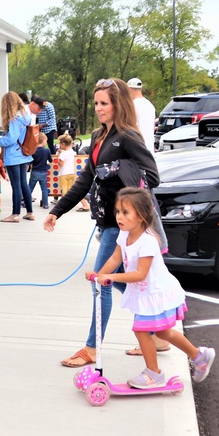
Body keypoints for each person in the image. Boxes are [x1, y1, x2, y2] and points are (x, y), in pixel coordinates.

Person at [44, 77, 161, 367]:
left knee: (101, 282)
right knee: (124, 282)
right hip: (106, 220)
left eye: (104, 103)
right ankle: (156, 327)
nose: (98, 108)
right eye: (96, 103)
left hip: (121, 223)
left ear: (118, 104)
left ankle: (91, 348)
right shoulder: (99, 137)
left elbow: (153, 176)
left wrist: (120, 168)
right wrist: (57, 210)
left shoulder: (129, 136)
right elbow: (84, 180)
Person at [86, 187, 215, 388]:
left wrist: (110, 276)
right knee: (163, 332)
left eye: (125, 212)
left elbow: (140, 274)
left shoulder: (147, 241)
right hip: (144, 292)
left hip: (156, 292)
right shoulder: (123, 234)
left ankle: (154, 374)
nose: (120, 217)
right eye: (118, 211)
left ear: (141, 216)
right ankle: (199, 356)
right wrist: (99, 275)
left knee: (141, 330)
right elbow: (115, 258)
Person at [0, 91, 34, 223]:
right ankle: (29, 212)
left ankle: (15, 214)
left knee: (16, 186)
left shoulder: (14, 119)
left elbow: (10, 140)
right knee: (23, 184)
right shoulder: (25, 116)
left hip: (14, 155)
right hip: (23, 153)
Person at [128, 78, 156, 152]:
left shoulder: (133, 106)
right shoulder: (149, 105)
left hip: (138, 147)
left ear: (130, 89)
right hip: (149, 147)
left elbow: (131, 127)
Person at [28, 133, 53, 210]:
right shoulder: (47, 150)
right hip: (43, 172)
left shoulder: (33, 150)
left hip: (35, 171)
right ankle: (45, 204)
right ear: (43, 141)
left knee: (30, 187)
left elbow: (31, 162)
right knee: (44, 189)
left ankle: (25, 201)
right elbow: (50, 160)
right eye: (46, 141)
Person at [55, 133, 79, 206]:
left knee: (64, 188)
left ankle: (64, 202)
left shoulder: (63, 154)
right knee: (70, 188)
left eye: (60, 144)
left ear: (63, 144)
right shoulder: (72, 152)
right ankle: (70, 201)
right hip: (71, 172)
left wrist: (58, 157)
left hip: (64, 173)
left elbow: (61, 164)